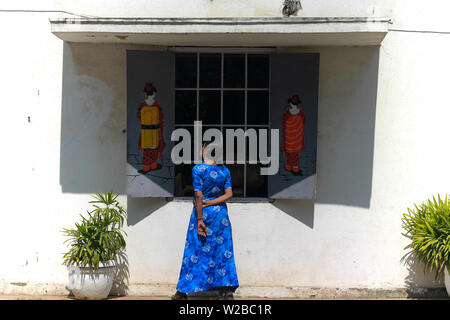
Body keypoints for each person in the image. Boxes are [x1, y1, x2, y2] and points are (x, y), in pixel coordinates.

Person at [172, 141, 239, 300]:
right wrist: (214, 202)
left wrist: (200, 217)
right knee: (223, 251)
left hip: (203, 213)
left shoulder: (198, 169)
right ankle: (226, 291)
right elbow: (229, 195)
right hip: (221, 216)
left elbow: (199, 195)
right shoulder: (224, 170)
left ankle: (182, 292)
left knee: (194, 250)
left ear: (205, 151)